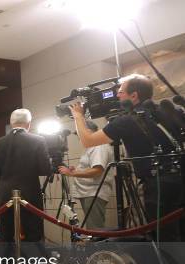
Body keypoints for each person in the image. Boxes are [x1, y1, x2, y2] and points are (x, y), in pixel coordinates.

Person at [71, 74, 183, 241]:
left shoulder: (126, 121)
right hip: (180, 180)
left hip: (155, 186)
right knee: (178, 233)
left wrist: (78, 116)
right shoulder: (168, 111)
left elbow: (88, 141)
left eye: (121, 92)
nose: (117, 95)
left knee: (155, 236)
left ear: (134, 95)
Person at [0, 109, 52, 244]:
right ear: (28, 123)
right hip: (30, 194)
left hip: (5, 195)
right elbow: (45, 169)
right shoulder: (38, 140)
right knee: (33, 235)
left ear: (11, 123)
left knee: (4, 236)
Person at [58, 120, 114, 228]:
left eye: (79, 134)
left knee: (94, 229)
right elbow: (91, 167)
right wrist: (75, 171)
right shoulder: (93, 146)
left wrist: (72, 173)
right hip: (89, 193)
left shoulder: (99, 145)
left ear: (87, 131)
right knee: (92, 227)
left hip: (94, 193)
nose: (79, 138)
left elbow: (97, 171)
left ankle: (95, 246)